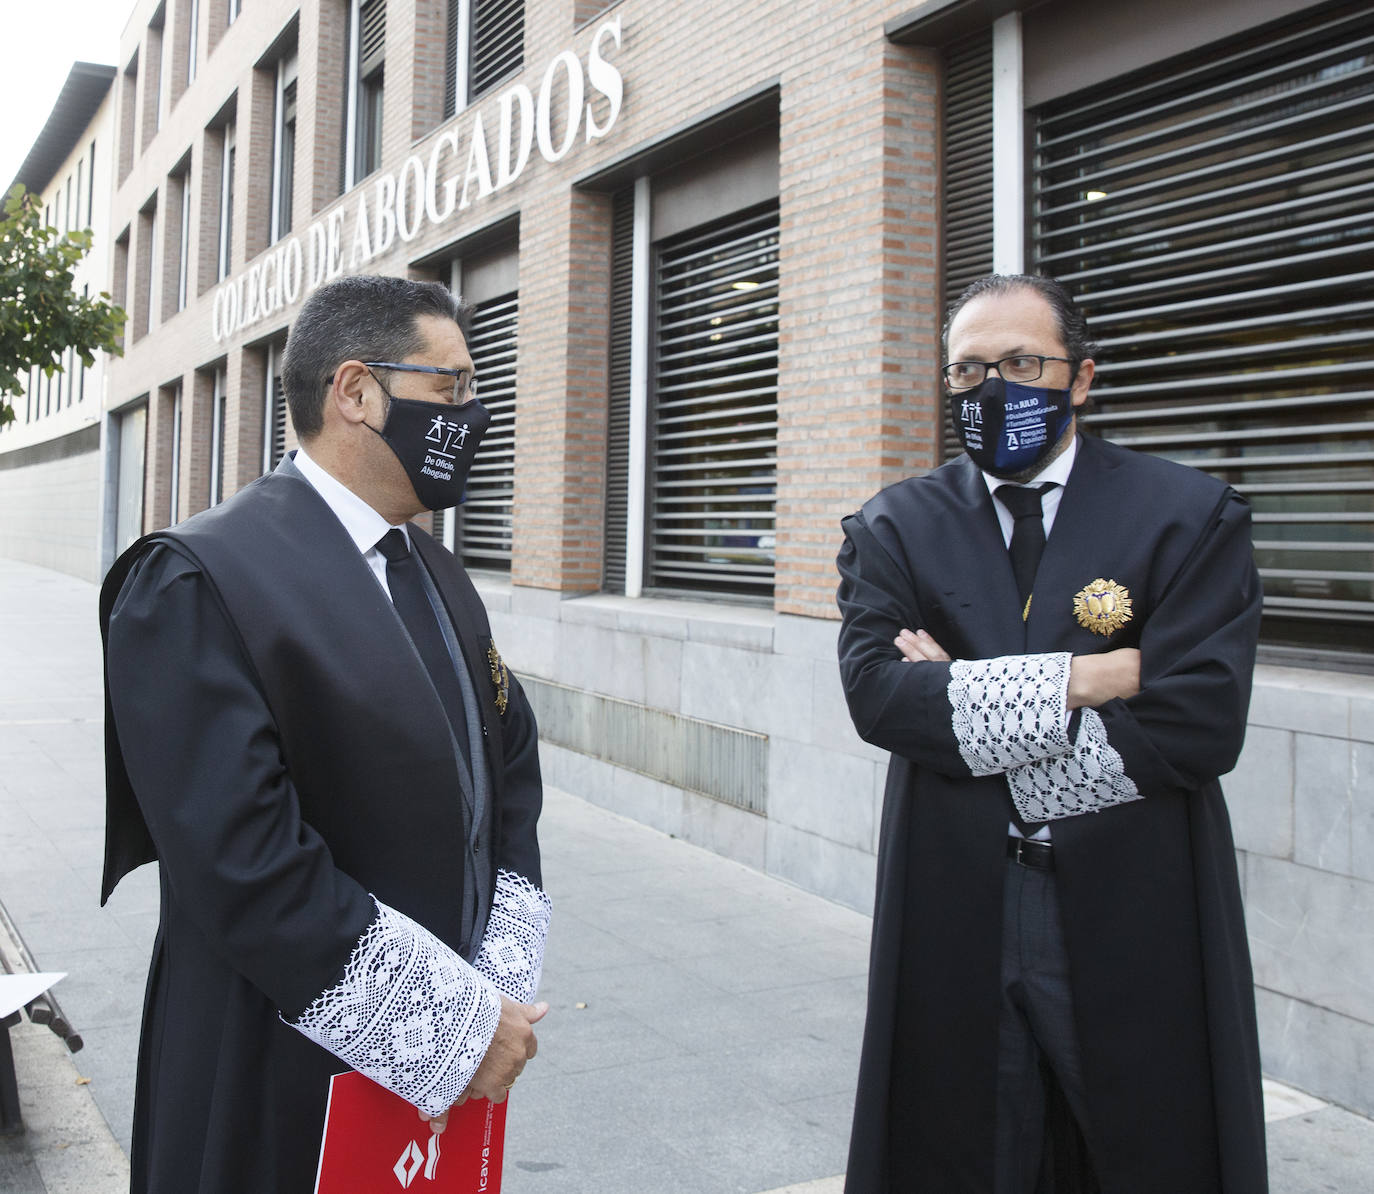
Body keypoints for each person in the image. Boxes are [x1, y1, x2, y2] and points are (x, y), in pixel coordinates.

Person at [100, 275, 551, 1193]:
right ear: (356, 392)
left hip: (433, 1089)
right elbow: (246, 866)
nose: (477, 414)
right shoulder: (197, 581)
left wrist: (494, 991)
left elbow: (509, 773)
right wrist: (452, 1029)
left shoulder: (433, 567)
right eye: (452, 389)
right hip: (271, 1074)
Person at [835, 274, 1267, 1193]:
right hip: (954, 894)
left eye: (1023, 363)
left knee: (1150, 1143)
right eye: (968, 371)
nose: (995, 390)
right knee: (966, 1148)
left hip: (1135, 891)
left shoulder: (1189, 516)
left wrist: (967, 705)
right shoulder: (895, 527)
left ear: (1080, 378)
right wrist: (1087, 678)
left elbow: (1198, 723)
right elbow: (879, 700)